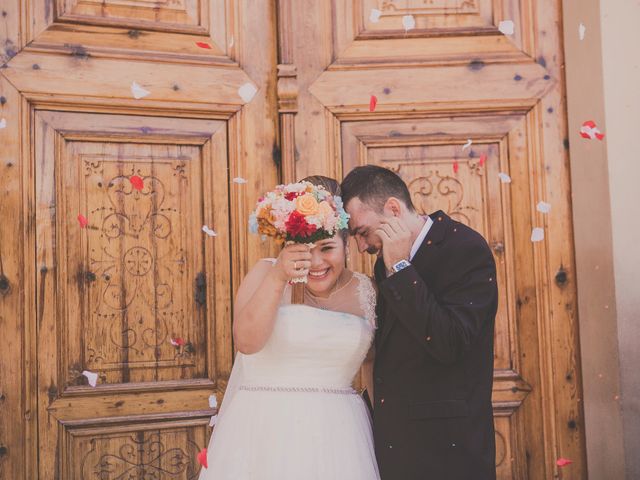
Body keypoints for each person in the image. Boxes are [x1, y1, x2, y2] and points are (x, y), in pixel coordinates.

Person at [198, 176, 380, 479]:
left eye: (327, 248)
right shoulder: (265, 274)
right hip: (262, 430)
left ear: (347, 245)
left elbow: (376, 370)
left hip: (341, 438)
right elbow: (247, 342)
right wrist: (278, 277)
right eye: (304, 249)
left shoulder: (368, 291)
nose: (316, 261)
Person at [341, 165, 498, 480]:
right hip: (396, 447)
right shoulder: (384, 264)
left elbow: (449, 342)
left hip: (448, 450)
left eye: (361, 231)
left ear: (394, 210)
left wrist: (401, 268)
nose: (361, 246)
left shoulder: (465, 248)